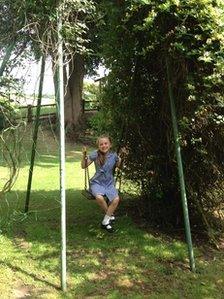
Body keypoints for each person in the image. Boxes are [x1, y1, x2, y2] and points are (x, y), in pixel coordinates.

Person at [81, 135, 122, 232]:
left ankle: (105, 222)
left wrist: (121, 159)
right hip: (97, 182)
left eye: (106, 143)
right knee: (99, 197)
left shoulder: (114, 155)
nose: (104, 146)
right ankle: (110, 215)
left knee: (116, 199)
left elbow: (119, 166)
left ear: (110, 144)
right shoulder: (95, 154)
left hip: (109, 183)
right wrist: (84, 156)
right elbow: (83, 166)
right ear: (98, 146)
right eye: (101, 144)